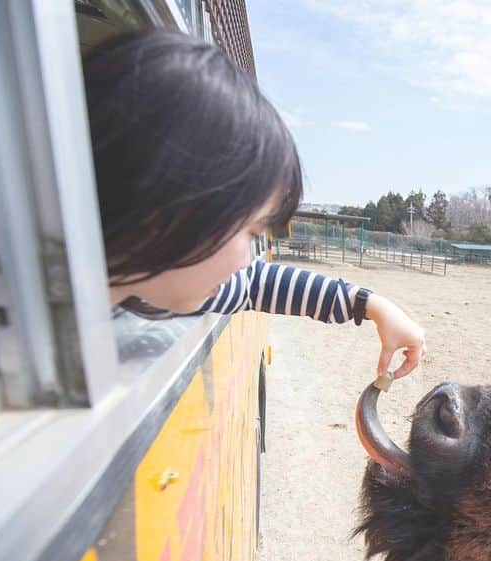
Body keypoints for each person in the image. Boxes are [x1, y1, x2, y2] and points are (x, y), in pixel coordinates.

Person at [85, 30, 425, 379]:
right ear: (169, 200)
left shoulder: (142, 285)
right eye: (251, 231)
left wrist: (369, 305)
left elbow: (253, 285)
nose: (249, 259)